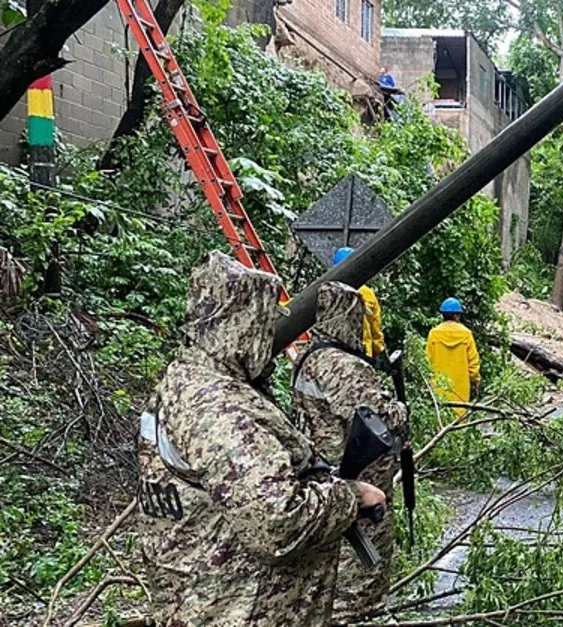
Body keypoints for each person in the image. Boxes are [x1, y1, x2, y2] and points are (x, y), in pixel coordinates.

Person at [136, 252, 386, 626]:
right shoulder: (218, 409)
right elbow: (274, 524)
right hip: (235, 609)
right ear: (243, 324)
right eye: (267, 324)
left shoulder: (185, 381)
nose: (273, 337)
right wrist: (350, 497)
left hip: (200, 601)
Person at [292, 282, 407, 621]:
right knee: (359, 584)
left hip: (321, 480)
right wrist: (401, 408)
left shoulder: (308, 358)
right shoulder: (343, 366)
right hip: (358, 485)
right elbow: (377, 417)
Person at [426, 297, 481, 416]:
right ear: (457, 316)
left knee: (440, 417)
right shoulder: (466, 334)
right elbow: (473, 362)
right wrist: (475, 380)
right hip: (460, 387)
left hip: (439, 386)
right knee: (460, 418)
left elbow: (427, 361)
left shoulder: (434, 333)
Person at [332, 247, 386, 359]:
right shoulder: (366, 293)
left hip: (334, 356)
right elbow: (375, 329)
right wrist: (376, 352)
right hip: (362, 356)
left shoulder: (328, 291)